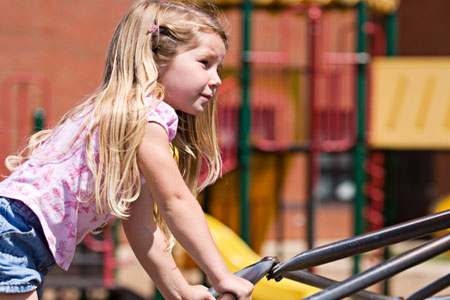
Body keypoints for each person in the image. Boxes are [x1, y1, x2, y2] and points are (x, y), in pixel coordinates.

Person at [0, 1, 254, 299]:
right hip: (15, 233)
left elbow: (143, 229)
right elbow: (175, 201)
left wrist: (180, 292)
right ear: (157, 59)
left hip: (16, 234)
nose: (217, 79)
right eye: (205, 63)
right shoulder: (145, 117)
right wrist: (222, 276)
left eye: (219, 67)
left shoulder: (126, 122)